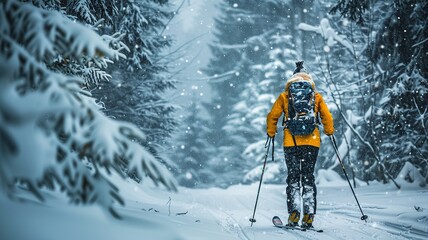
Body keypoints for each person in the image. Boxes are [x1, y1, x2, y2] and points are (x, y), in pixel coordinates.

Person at [266, 61, 334, 228]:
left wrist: (271, 132)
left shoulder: (285, 95)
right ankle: (309, 216)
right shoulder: (315, 96)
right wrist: (329, 131)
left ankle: (294, 214)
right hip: (312, 142)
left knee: (294, 178)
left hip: (291, 142)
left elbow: (272, 116)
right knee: (308, 177)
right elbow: (327, 117)